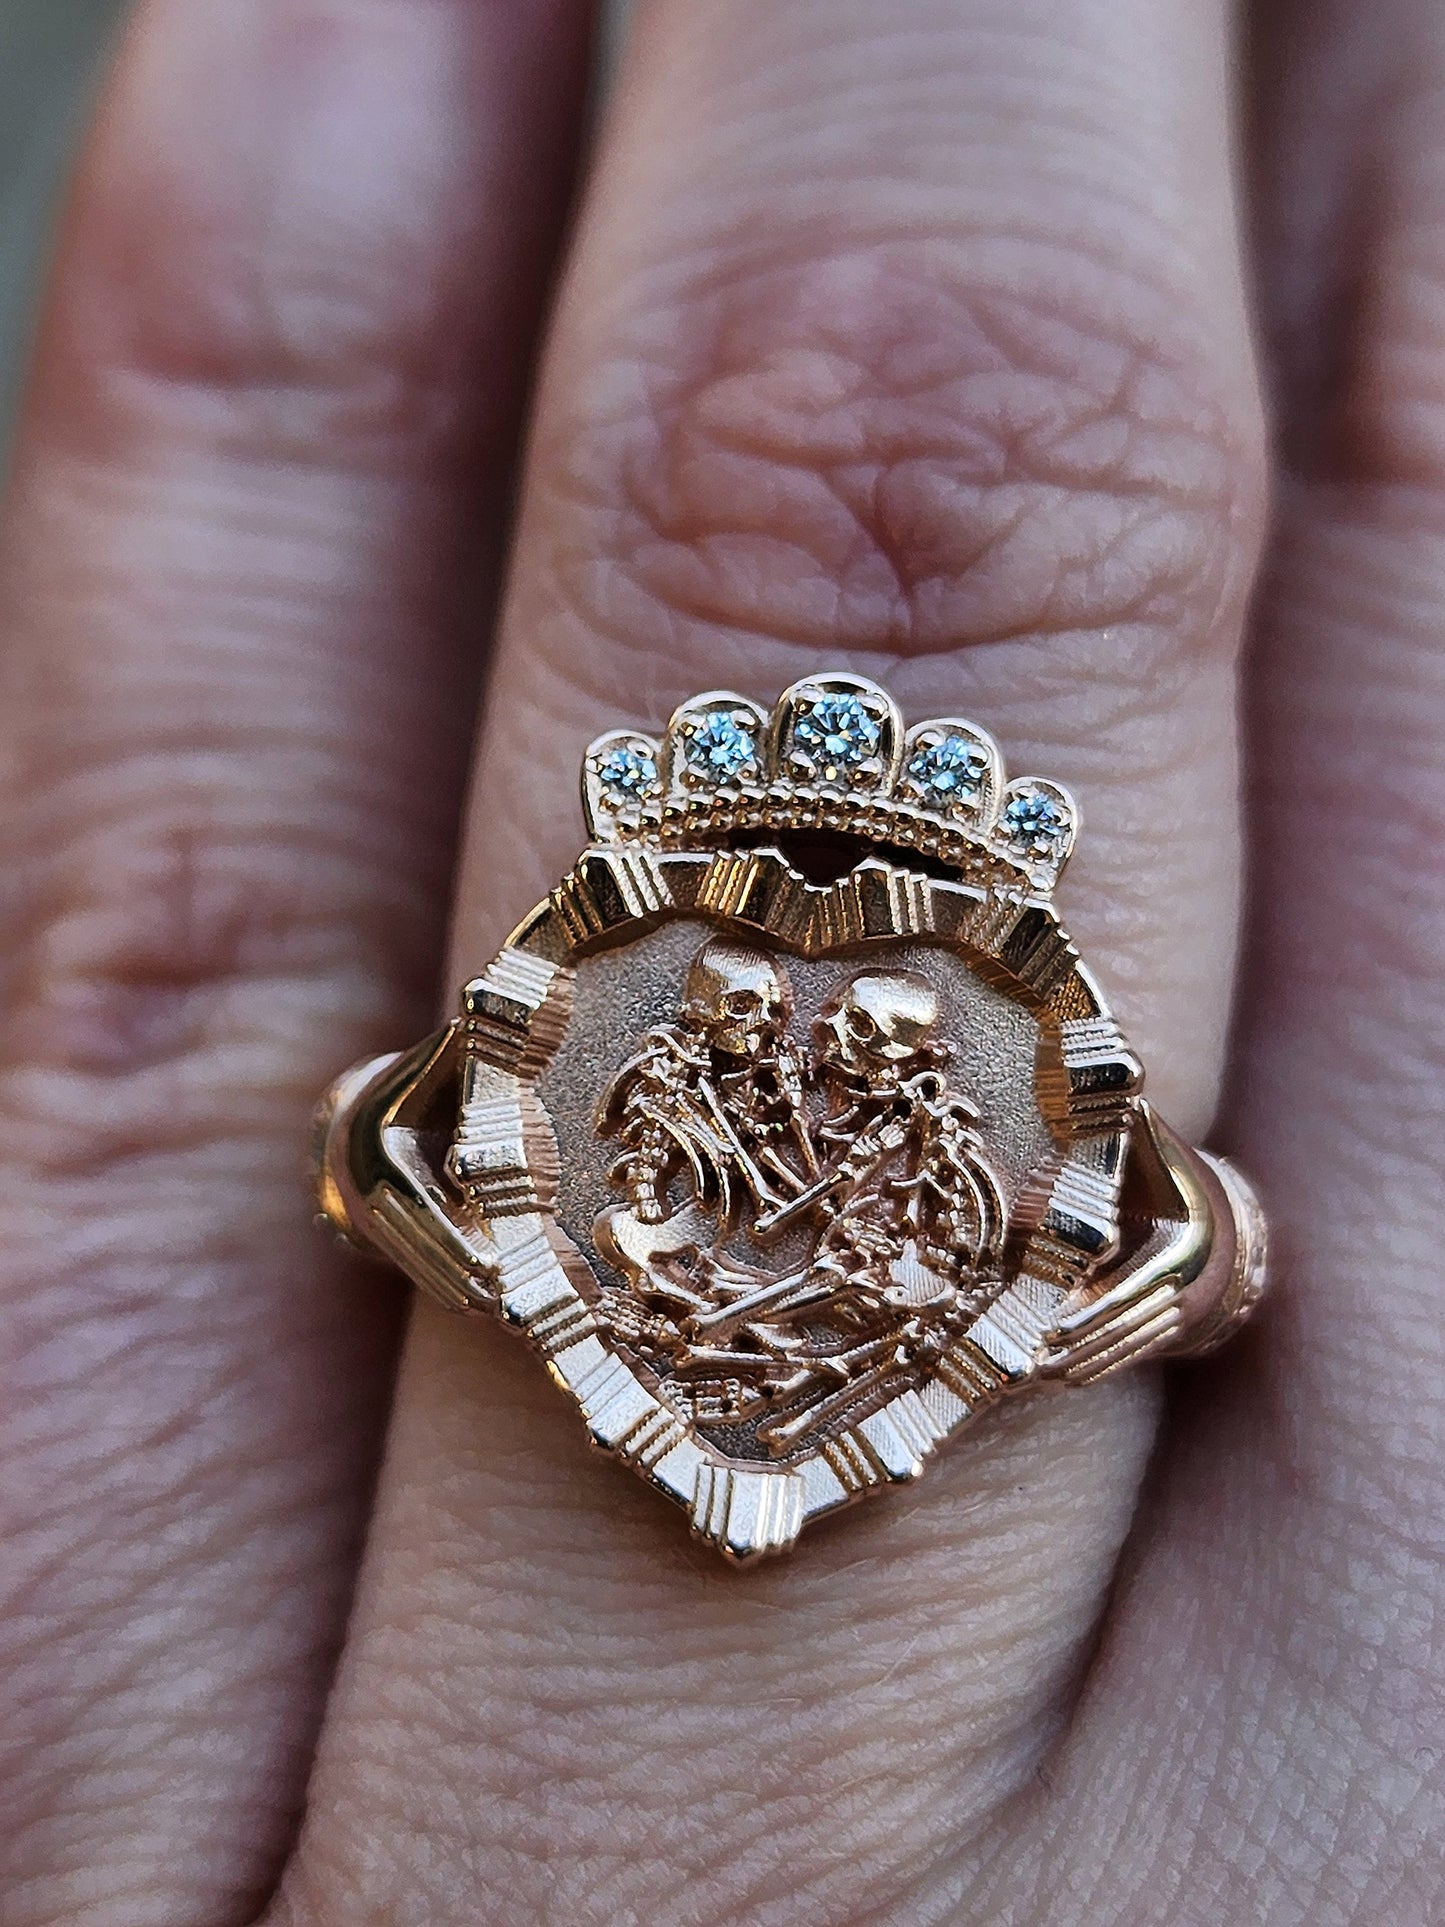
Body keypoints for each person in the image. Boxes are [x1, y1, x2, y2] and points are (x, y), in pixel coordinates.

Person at [0, 0, 1439, 1921]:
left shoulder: (921, 1135)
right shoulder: (671, 1092)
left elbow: (1001, 1226)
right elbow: (548, 1172)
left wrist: (1174, 1270)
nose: (806, 1041)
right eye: (758, 1010)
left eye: (839, 1032)